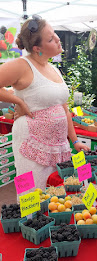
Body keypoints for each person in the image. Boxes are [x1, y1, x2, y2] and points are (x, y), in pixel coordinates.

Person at [0, 15, 89, 201]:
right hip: (31, 144)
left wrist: (75, 141)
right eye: (50, 38)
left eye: (54, 33)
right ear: (37, 48)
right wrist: (19, 102)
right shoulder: (22, 65)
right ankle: (28, 227)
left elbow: (64, 109)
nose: (57, 39)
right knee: (31, 195)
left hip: (58, 146)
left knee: (57, 194)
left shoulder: (54, 68)